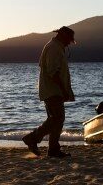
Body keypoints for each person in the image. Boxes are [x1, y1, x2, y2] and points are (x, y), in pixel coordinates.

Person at [22, 26, 76, 158]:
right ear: (63, 36)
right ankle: (33, 138)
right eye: (69, 39)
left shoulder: (56, 47)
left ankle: (53, 149)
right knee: (57, 118)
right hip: (52, 90)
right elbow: (53, 72)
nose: (69, 42)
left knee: (56, 119)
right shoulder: (54, 48)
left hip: (52, 90)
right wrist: (63, 89)